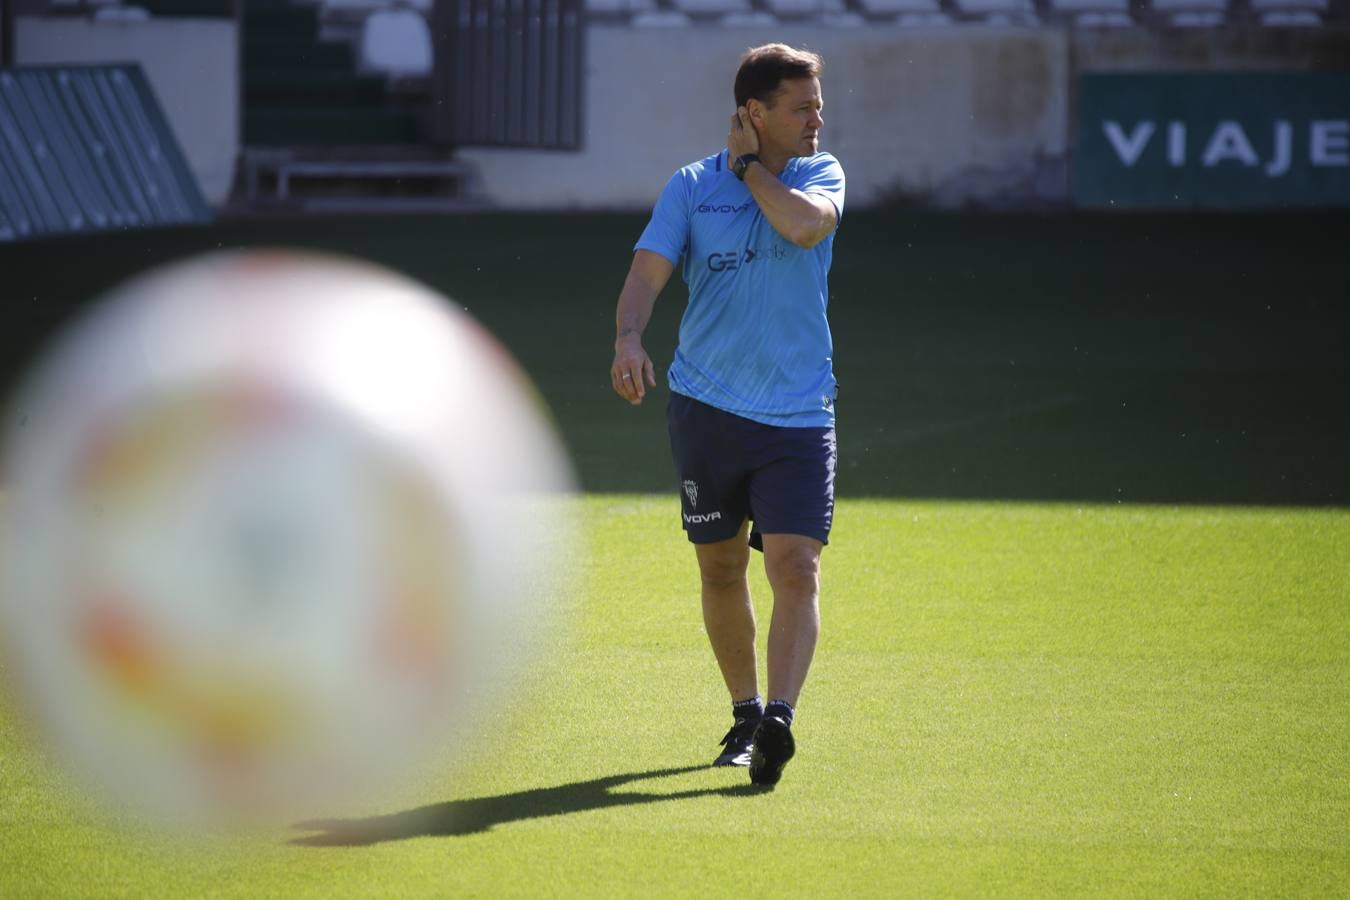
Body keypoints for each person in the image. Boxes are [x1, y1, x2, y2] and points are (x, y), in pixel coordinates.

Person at [609, 44, 844, 787]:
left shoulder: (820, 174)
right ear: (754, 112)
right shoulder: (690, 186)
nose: (817, 120)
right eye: (802, 108)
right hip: (707, 409)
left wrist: (749, 171)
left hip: (799, 413)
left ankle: (780, 719)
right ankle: (745, 714)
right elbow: (647, 273)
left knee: (795, 566)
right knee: (719, 565)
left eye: (818, 106)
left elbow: (803, 228)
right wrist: (628, 338)